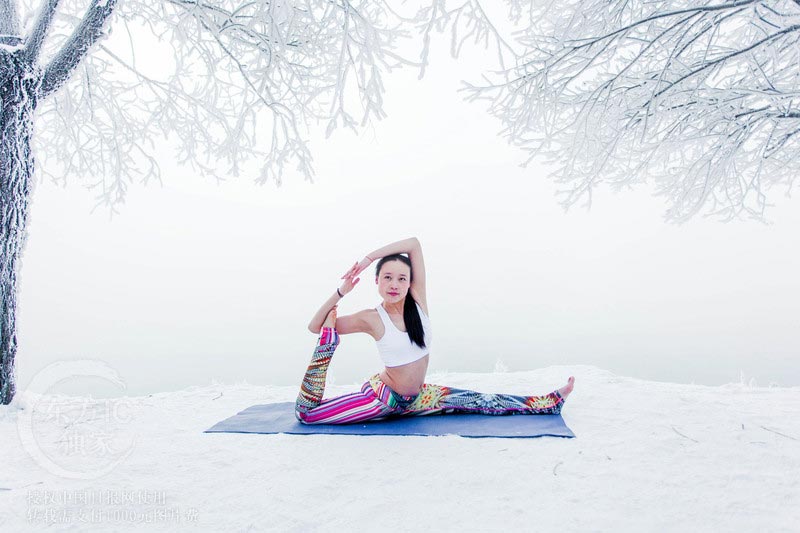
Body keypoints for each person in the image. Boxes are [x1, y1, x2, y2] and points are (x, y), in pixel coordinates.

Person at [294, 237, 575, 424]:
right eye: (387, 277)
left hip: (418, 398)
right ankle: (329, 349)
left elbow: (414, 244)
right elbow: (314, 326)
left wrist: (369, 257)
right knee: (306, 414)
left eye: (401, 278)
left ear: (409, 283)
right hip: (383, 400)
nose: (394, 284)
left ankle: (547, 403)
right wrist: (342, 291)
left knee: (480, 400)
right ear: (377, 281)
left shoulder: (418, 303)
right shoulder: (371, 318)